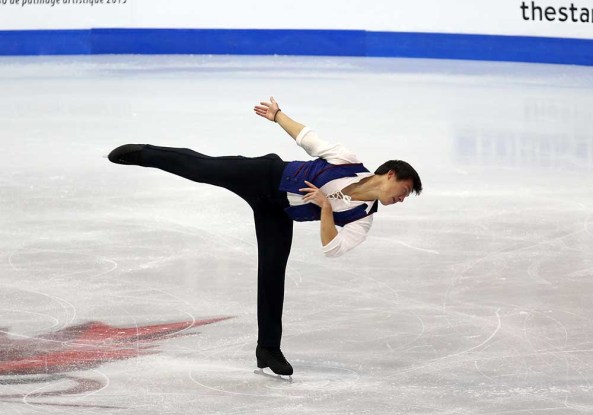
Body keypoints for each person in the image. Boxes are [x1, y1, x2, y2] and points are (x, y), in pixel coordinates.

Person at [107, 97, 422, 377]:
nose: (402, 199)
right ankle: (147, 153)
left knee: (272, 276)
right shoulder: (347, 160)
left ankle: (267, 350)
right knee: (205, 168)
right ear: (390, 175)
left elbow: (333, 249)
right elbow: (307, 138)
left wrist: (326, 208)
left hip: (279, 214)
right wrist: (278, 115)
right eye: (404, 191)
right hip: (266, 175)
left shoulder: (363, 219)